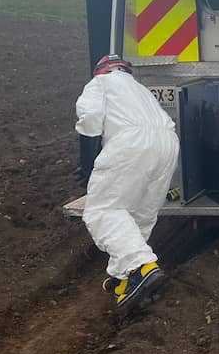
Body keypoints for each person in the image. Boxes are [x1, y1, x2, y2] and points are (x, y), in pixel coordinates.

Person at [75, 54, 179, 312]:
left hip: (131, 143)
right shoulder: (140, 89)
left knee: (103, 210)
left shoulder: (101, 83)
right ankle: (125, 278)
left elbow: (89, 120)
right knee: (138, 216)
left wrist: (89, 154)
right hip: (167, 143)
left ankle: (141, 266)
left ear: (101, 70)